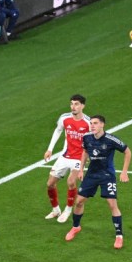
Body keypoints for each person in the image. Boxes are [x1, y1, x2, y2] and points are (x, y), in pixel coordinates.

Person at [65, 115, 132, 249]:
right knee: (78, 201)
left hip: (107, 175)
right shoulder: (87, 138)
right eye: (91, 123)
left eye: (95, 123)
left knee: (112, 204)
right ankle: (76, 227)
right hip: (91, 175)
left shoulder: (111, 139)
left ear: (102, 125)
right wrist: (81, 169)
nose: (92, 125)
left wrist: (124, 172)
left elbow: (127, 152)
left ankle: (119, 236)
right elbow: (84, 152)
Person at [43, 94, 91, 223]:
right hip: (65, 156)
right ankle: (55, 210)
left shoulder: (88, 122)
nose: (73, 106)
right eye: (71, 103)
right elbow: (58, 130)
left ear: (82, 106)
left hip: (79, 158)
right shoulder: (64, 118)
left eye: (76, 104)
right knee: (50, 184)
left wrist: (89, 156)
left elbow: (92, 140)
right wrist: (50, 149)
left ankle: (68, 210)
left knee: (71, 182)